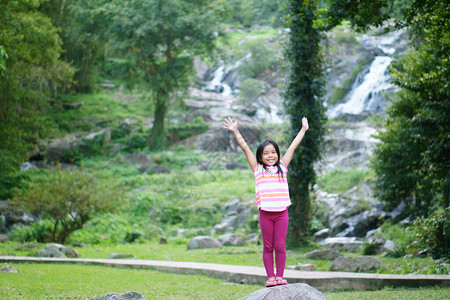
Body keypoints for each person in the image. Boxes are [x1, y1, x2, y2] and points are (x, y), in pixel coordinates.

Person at [222, 116, 309, 287]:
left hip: (282, 213)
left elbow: (293, 146)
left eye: (273, 152)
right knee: (268, 247)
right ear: (260, 156)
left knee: (280, 246)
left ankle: (280, 276)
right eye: (266, 153)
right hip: (265, 214)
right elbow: (245, 147)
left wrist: (303, 129)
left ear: (277, 154)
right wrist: (236, 131)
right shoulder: (258, 169)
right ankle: (271, 277)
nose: (271, 156)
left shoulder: (282, 167)